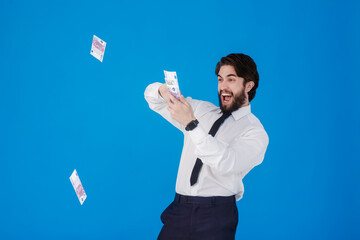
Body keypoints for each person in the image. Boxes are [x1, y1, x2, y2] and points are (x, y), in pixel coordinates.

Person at [144, 53, 269, 240]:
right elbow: (152, 99)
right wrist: (163, 91)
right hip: (179, 208)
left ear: (249, 85)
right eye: (220, 79)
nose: (223, 87)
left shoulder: (255, 132)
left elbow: (227, 162)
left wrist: (192, 125)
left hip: (216, 215)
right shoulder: (201, 110)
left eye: (231, 79)